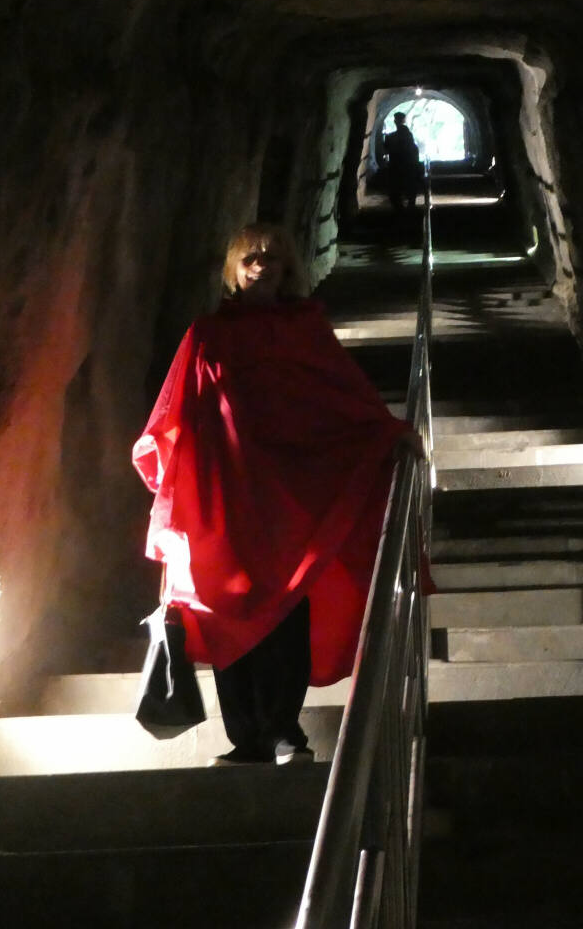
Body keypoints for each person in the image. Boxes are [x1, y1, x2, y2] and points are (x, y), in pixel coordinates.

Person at [131, 223, 419, 765]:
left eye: (272, 258)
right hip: (222, 498)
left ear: (288, 271)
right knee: (220, 612)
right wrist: (173, 491)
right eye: (250, 258)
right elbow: (174, 417)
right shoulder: (208, 335)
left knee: (284, 611)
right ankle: (246, 739)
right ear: (234, 270)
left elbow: (343, 398)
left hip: (288, 498)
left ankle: (285, 731)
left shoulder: (306, 331)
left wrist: (390, 433)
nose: (261, 266)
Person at [381, 112, 424, 214]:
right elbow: (413, 150)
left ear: (395, 121)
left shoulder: (391, 137)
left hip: (396, 166)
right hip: (408, 166)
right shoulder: (407, 135)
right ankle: (410, 208)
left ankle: (399, 210)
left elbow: (386, 149)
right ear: (404, 120)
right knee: (410, 188)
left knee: (396, 190)